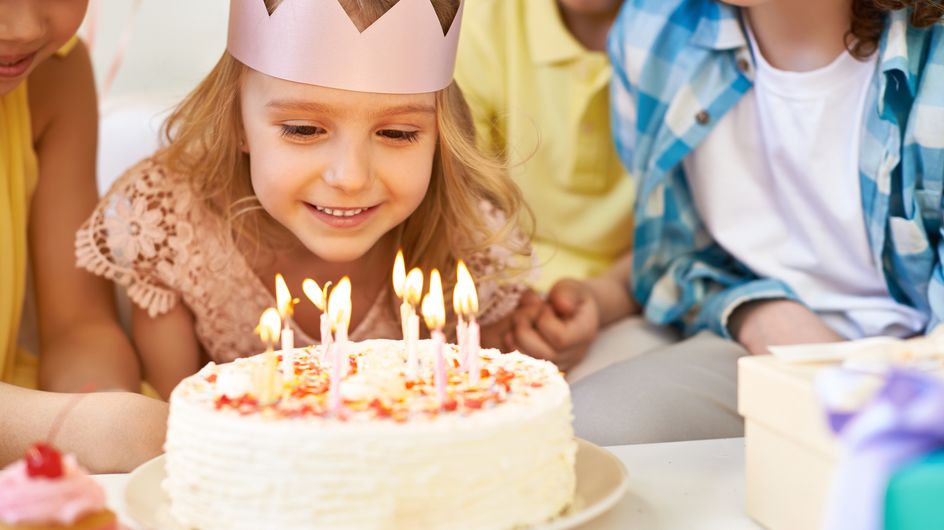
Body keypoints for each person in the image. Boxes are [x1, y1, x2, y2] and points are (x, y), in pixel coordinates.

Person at [77, 0, 596, 399]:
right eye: (303, 129)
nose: (350, 177)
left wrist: (539, 334)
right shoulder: (172, 227)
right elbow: (183, 421)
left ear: (441, 135)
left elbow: (484, 397)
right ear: (237, 122)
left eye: (397, 134)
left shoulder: (466, 244)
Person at [573, 0, 944, 445]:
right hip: (760, 350)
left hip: (923, 369)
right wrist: (757, 313)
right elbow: (673, 255)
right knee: (584, 432)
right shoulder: (653, 31)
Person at [455, 0, 678, 379]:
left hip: (640, 302)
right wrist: (503, 304)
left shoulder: (689, 36)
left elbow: (691, 237)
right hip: (487, 293)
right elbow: (456, 202)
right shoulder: (477, 21)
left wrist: (602, 296)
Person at [0, 0, 166, 470]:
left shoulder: (53, 75)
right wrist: (77, 427)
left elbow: (76, 324)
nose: (25, 26)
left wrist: (103, 398)